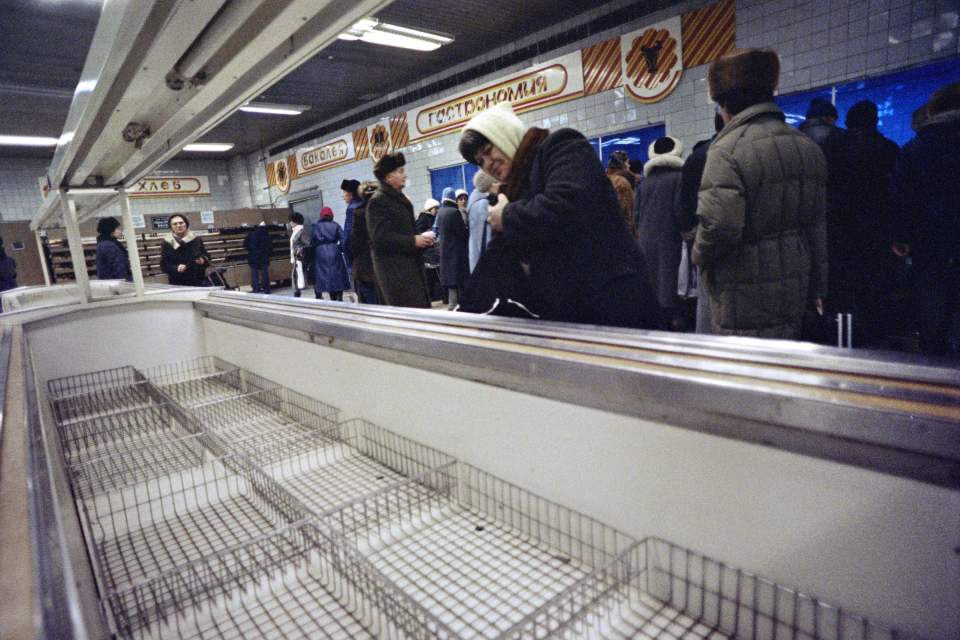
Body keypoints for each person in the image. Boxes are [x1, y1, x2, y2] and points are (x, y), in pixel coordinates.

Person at [457, 102, 656, 328]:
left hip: (614, 303)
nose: (487, 164)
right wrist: (463, 313)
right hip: (569, 313)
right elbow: (495, 258)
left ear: (505, 136)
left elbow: (567, 204)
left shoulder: (561, 146)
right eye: (480, 162)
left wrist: (507, 217)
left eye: (488, 151)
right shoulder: (515, 189)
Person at [693, 48, 828, 339]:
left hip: (743, 289)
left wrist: (698, 255)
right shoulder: (806, 146)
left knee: (743, 373)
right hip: (796, 284)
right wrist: (818, 287)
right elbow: (817, 227)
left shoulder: (727, 150)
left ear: (725, 104)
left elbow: (719, 225)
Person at [889, 82, 960, 356]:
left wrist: (900, 238)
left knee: (933, 322)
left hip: (930, 248)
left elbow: (901, 198)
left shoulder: (916, 149)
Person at [823, 100, 901, 347]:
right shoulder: (889, 150)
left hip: (839, 234)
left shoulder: (833, 147)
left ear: (848, 121)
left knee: (843, 296)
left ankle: (843, 344)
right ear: (874, 120)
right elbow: (896, 196)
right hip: (877, 236)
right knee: (875, 296)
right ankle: (875, 346)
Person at [366, 152, 435, 308]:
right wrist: (413, 241)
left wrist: (421, 240)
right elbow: (379, 238)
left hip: (408, 270)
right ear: (389, 177)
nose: (405, 175)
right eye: (400, 171)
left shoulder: (397, 199)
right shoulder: (378, 202)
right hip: (395, 275)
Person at [680, 112, 725, 334]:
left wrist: (695, 245)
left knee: (708, 309)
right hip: (766, 256)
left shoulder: (698, 157)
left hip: (707, 243)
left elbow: (684, 208)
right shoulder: (794, 142)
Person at [636, 136, 685, 330]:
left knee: (654, 284)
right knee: (671, 285)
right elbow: (680, 211)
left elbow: (636, 214)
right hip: (671, 238)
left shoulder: (643, 184)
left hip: (646, 239)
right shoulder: (679, 178)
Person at [437, 186, 470, 309]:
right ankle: (460, 306)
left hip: (445, 251)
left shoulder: (440, 212)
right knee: (460, 279)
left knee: (451, 282)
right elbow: (462, 232)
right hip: (457, 251)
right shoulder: (454, 212)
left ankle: (452, 305)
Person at [349, 181, 381, 304]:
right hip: (384, 266)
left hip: (365, 266)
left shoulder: (358, 212)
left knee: (370, 304)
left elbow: (354, 241)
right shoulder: (385, 210)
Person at [311, 206, 350, 301]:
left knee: (326, 275)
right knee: (338, 274)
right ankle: (339, 297)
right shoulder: (335, 225)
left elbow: (312, 241)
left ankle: (332, 297)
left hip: (320, 253)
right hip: (334, 250)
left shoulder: (315, 226)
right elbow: (344, 239)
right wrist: (340, 249)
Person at [160, 214, 210, 286]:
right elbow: (164, 266)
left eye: (181, 223)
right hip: (178, 283)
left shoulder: (196, 239)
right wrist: (176, 268)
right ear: (171, 227)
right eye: (175, 224)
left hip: (198, 281)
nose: (178, 226)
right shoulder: (167, 242)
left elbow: (207, 258)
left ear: (186, 224)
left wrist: (202, 260)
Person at [467, 171, 496, 272]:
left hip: (476, 257)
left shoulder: (474, 203)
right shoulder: (483, 204)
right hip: (485, 261)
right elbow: (486, 237)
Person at [415, 198, 442, 301]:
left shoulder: (429, 217)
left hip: (430, 249)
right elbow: (418, 232)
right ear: (430, 209)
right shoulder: (425, 218)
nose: (437, 210)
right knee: (431, 274)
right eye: (435, 208)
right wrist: (428, 233)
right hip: (427, 250)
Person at [94, 217, 132, 281]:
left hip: (114, 282)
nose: (120, 231)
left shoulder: (109, 243)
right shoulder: (108, 246)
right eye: (118, 229)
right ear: (110, 229)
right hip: (117, 284)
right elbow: (118, 267)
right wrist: (125, 283)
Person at [243, 222, 273, 294]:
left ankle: (256, 289)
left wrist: (251, 250)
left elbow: (245, 244)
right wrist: (268, 254)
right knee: (264, 273)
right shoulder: (266, 235)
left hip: (253, 256)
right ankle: (267, 289)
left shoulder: (251, 234)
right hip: (264, 256)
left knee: (254, 274)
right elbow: (270, 246)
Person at [340, 179, 362, 268]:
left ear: (351, 194)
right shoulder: (365, 204)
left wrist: (348, 259)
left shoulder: (351, 209)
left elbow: (348, 236)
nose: (343, 196)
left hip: (356, 256)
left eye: (344, 192)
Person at [288, 211, 310, 297]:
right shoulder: (294, 231)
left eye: (291, 221)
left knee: (297, 277)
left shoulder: (302, 231)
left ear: (295, 221)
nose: (290, 223)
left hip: (300, 258)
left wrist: (299, 250)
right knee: (295, 277)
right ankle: (297, 293)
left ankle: (298, 294)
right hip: (295, 258)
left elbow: (307, 243)